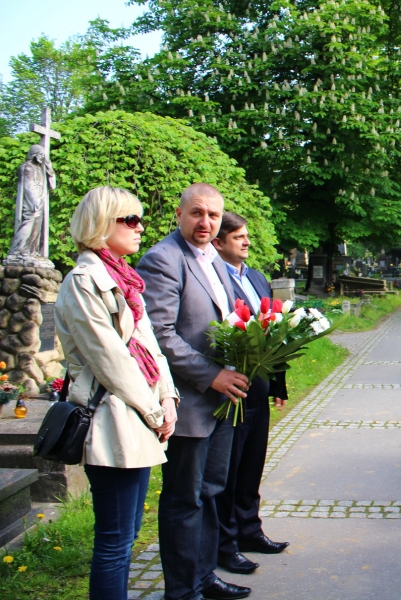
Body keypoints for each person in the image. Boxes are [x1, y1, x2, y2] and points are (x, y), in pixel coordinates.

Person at [55, 186, 178, 599]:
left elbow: (149, 346)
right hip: (111, 419)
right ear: (100, 225)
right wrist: (155, 412)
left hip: (137, 416)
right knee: (114, 540)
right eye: (130, 220)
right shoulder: (83, 281)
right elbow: (111, 360)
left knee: (128, 534)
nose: (140, 227)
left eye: (140, 219)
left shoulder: (124, 280)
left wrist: (168, 398)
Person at [137, 184, 251, 600]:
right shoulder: (163, 259)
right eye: (197, 213)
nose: (206, 222)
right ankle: (182, 591)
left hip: (221, 401)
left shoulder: (215, 259)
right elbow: (160, 334)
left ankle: (205, 578)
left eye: (213, 216)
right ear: (179, 214)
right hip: (188, 402)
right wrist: (212, 375)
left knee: (211, 492)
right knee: (184, 500)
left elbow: (228, 319)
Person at [211, 212, 289, 576]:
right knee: (229, 469)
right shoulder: (213, 278)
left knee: (252, 464)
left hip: (258, 386)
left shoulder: (256, 277)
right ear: (218, 242)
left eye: (246, 236)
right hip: (230, 388)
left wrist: (278, 381)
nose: (246, 242)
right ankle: (225, 542)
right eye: (238, 236)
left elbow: (274, 329)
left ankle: (249, 530)